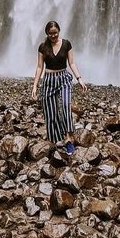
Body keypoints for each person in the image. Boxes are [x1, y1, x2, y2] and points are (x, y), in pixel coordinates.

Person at [31, 21, 86, 154]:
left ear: (59, 31)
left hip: (63, 79)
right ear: (47, 33)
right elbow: (39, 67)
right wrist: (35, 86)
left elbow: (71, 63)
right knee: (50, 112)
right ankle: (55, 139)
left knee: (66, 106)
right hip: (48, 81)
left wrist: (79, 78)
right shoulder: (43, 47)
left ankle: (68, 139)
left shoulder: (66, 44)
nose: (53, 35)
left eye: (55, 33)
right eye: (50, 33)